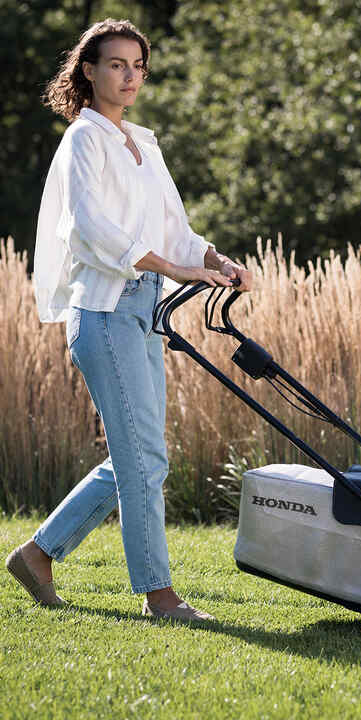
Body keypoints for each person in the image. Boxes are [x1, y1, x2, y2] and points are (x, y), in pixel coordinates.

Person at [5, 18, 252, 621]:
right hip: (104, 310)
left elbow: (175, 228)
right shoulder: (84, 140)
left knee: (142, 457)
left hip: (143, 309)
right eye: (117, 64)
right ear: (89, 71)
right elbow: (91, 231)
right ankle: (159, 594)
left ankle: (39, 553)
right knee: (143, 458)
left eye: (138, 66)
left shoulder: (142, 143)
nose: (130, 76)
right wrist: (174, 266)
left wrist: (212, 259)